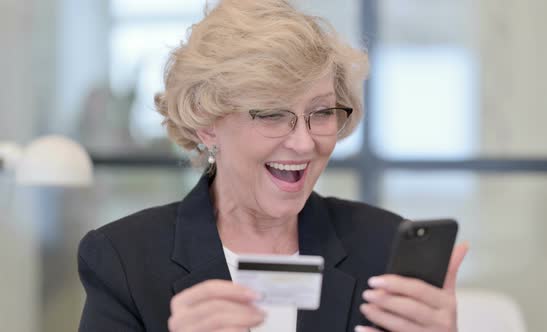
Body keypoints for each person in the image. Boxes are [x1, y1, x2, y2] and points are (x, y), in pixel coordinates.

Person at [77, 0, 468, 331]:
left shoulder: (380, 245)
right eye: (272, 115)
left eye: (322, 112)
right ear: (207, 124)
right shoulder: (123, 260)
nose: (303, 142)